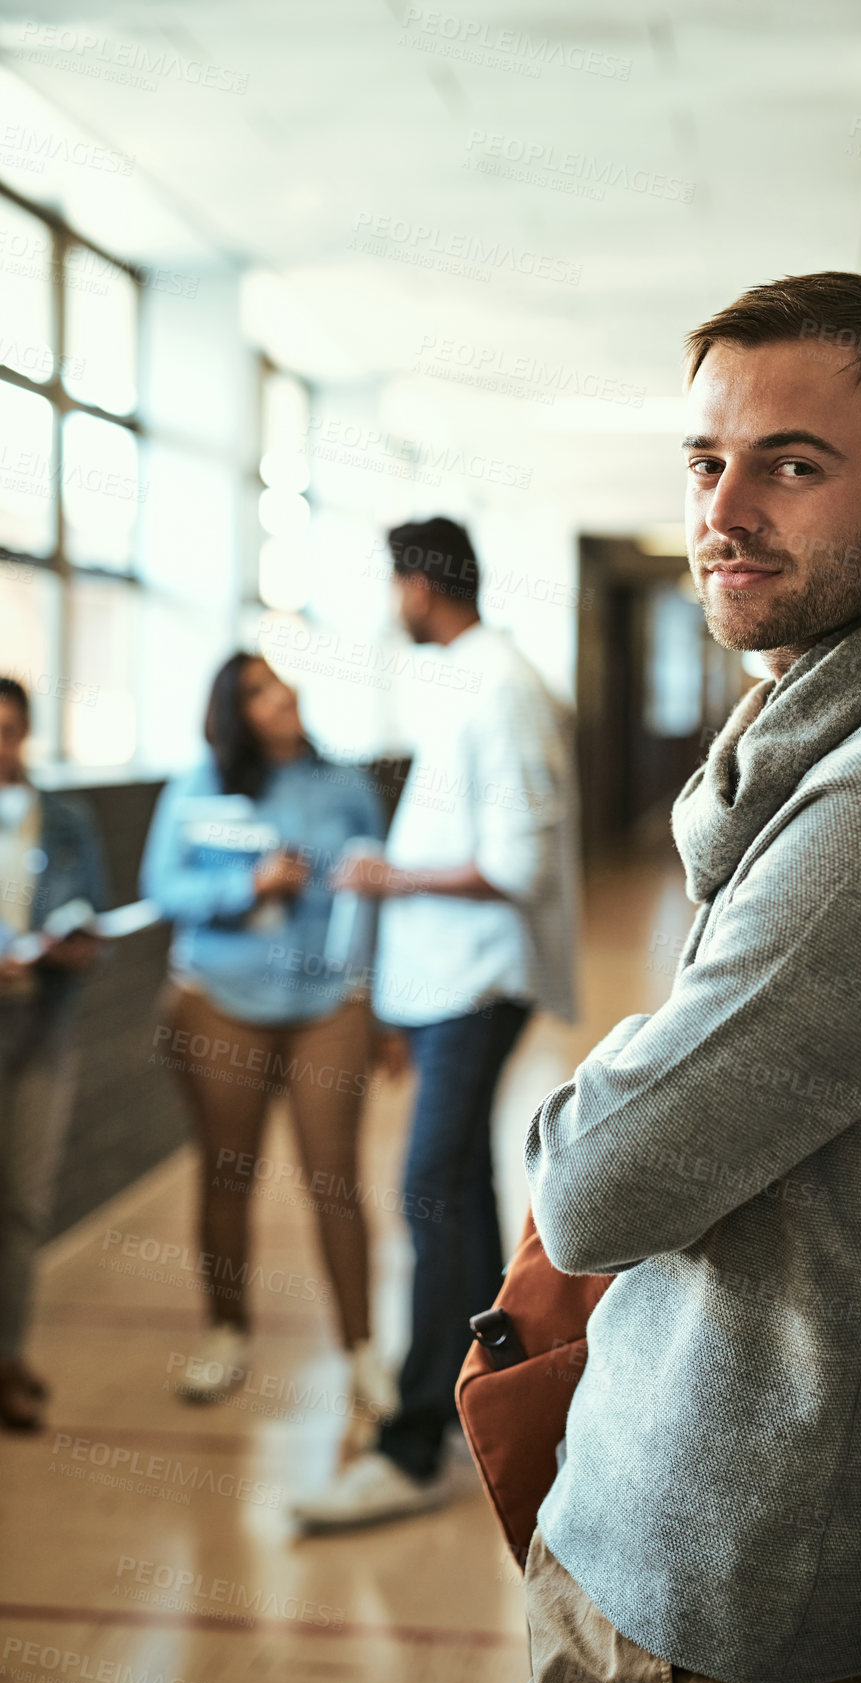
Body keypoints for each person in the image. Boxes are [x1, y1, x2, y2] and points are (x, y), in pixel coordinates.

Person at [492, 273, 861, 1683]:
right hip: (661, 1500)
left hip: (707, 1579)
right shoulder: (816, 745)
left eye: (790, 464)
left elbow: (599, 1182)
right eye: (705, 461)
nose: (725, 510)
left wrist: (611, 1071)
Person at [291, 516, 578, 1527]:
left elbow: (515, 867)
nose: (391, 605)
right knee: (453, 1187)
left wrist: (384, 875)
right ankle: (486, 1391)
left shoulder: (497, 685)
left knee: (427, 1186)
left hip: (478, 983)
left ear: (419, 585)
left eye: (394, 586)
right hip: (449, 987)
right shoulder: (469, 678)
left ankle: (411, 1445)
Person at [140, 653, 391, 1411]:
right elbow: (162, 887)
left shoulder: (343, 783)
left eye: (280, 680)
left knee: (334, 1179)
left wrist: (379, 1006)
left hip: (327, 1001)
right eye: (258, 690)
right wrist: (244, 884)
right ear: (234, 712)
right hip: (220, 996)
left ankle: (361, 1351)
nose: (281, 694)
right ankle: (226, 1333)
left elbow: (380, 890)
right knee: (227, 1172)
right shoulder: (199, 784)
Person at [0, 676, 107, 1431]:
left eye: (9, 729)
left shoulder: (63, 819)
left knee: (21, 1204)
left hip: (37, 1028)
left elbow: (92, 917)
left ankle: (6, 1355)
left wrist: (69, 945)